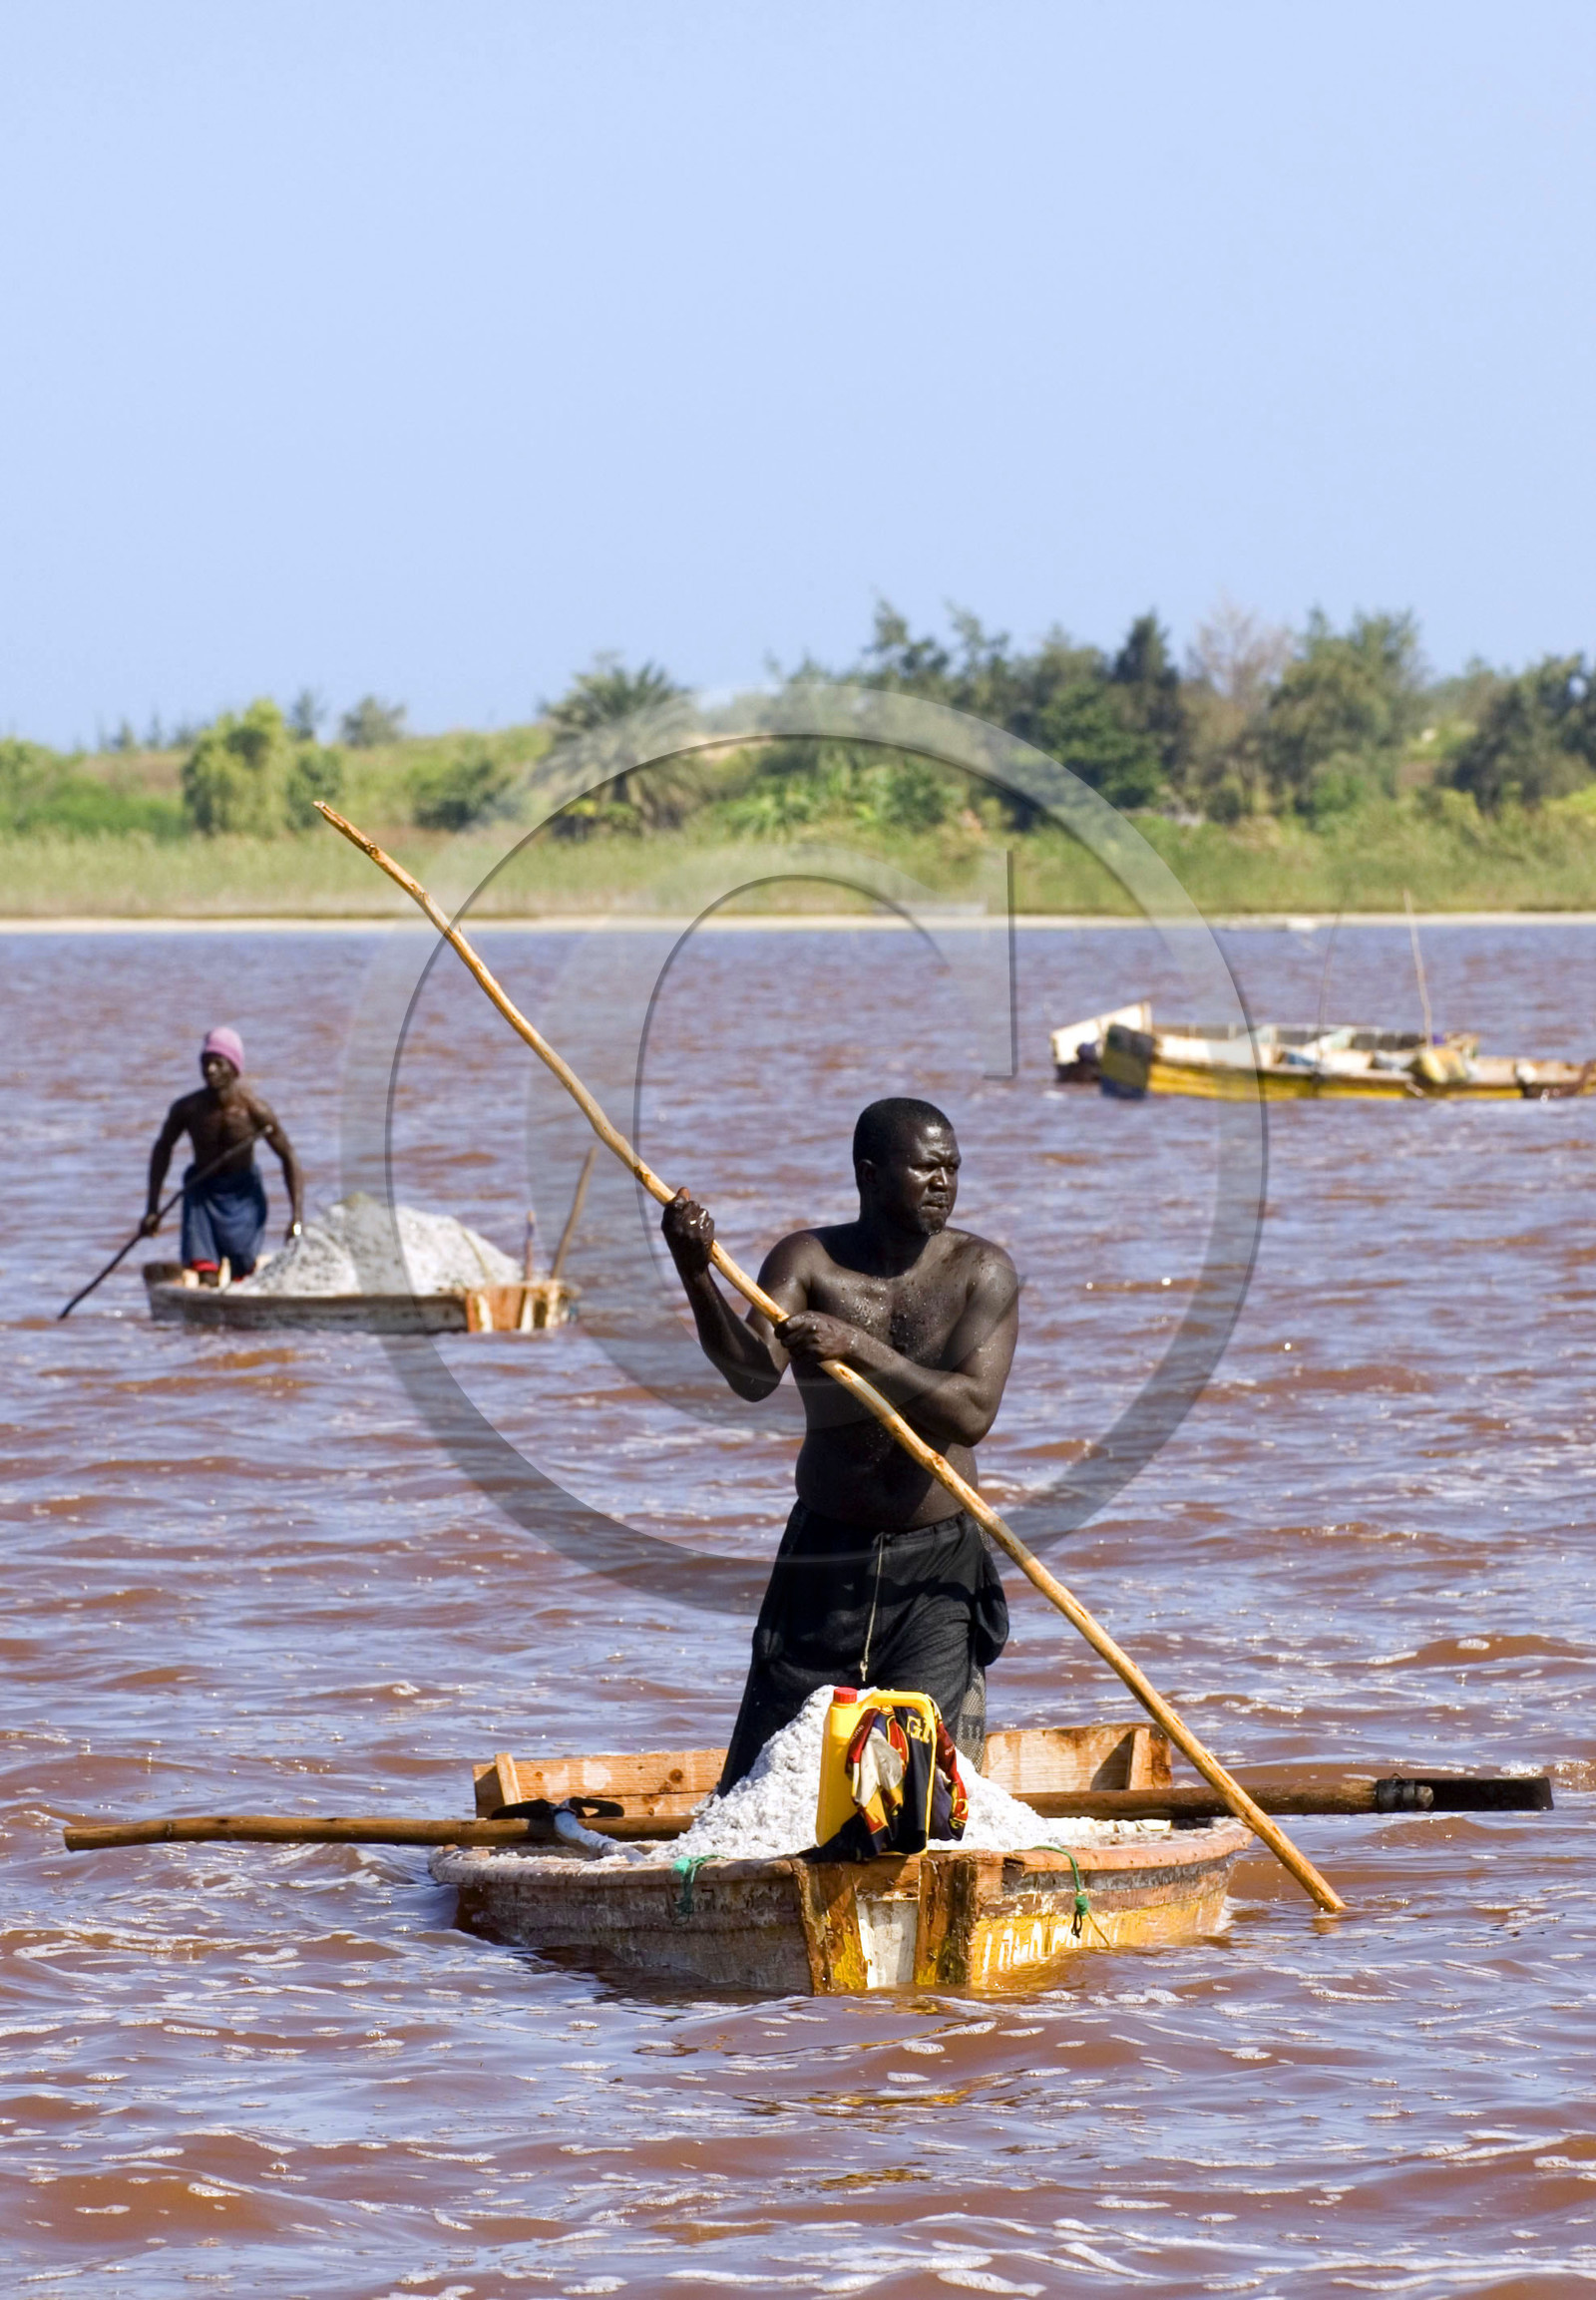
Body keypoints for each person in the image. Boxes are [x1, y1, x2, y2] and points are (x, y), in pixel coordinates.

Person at [661, 1096, 1017, 1789]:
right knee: (766, 1780)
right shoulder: (809, 1261)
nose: (944, 1182)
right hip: (826, 1560)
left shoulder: (983, 1272)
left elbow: (971, 1414)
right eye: (926, 1168)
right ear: (872, 1175)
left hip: (936, 1573)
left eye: (953, 1169)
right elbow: (751, 1376)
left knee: (918, 1788)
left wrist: (854, 1347)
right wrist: (695, 1272)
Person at [141, 1028, 303, 1283]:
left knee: (243, 1272)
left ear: (234, 1068)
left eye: (218, 1063)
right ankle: (208, 1307)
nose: (210, 1070)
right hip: (202, 1193)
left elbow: (288, 1156)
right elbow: (163, 1149)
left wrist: (296, 1218)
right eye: (205, 1063)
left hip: (244, 1195)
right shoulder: (188, 1109)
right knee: (207, 1275)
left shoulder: (255, 1111)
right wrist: (152, 1209)